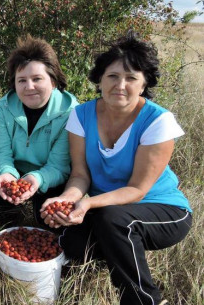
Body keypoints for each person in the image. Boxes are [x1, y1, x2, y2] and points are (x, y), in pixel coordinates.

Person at [41, 32, 192, 305]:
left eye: (131, 78)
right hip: (107, 210)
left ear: (144, 83)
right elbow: (79, 175)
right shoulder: (81, 115)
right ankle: (115, 251)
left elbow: (137, 189)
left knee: (115, 220)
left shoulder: (158, 121)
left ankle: (146, 299)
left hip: (162, 208)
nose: (120, 85)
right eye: (112, 76)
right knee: (67, 237)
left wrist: (87, 205)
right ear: (100, 80)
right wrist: (68, 199)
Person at [0, 36, 78, 228]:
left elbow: (60, 165)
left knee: (47, 220)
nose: (29, 87)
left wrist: (36, 180)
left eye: (37, 79)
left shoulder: (70, 113)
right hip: (14, 168)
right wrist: (7, 175)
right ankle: (8, 209)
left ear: (53, 81)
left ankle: (35, 206)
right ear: (14, 83)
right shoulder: (3, 109)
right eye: (21, 80)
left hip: (48, 175)